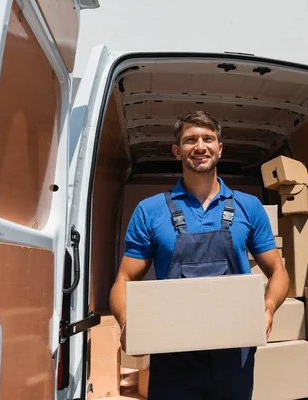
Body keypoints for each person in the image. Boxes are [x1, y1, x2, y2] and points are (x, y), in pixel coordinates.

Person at [109, 110, 290, 399]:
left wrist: (268, 309)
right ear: (177, 151)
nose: (200, 146)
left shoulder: (248, 206)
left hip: (235, 352)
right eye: (190, 140)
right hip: (172, 354)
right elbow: (124, 279)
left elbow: (278, 272)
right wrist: (126, 323)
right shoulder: (150, 210)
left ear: (220, 148)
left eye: (208, 139)